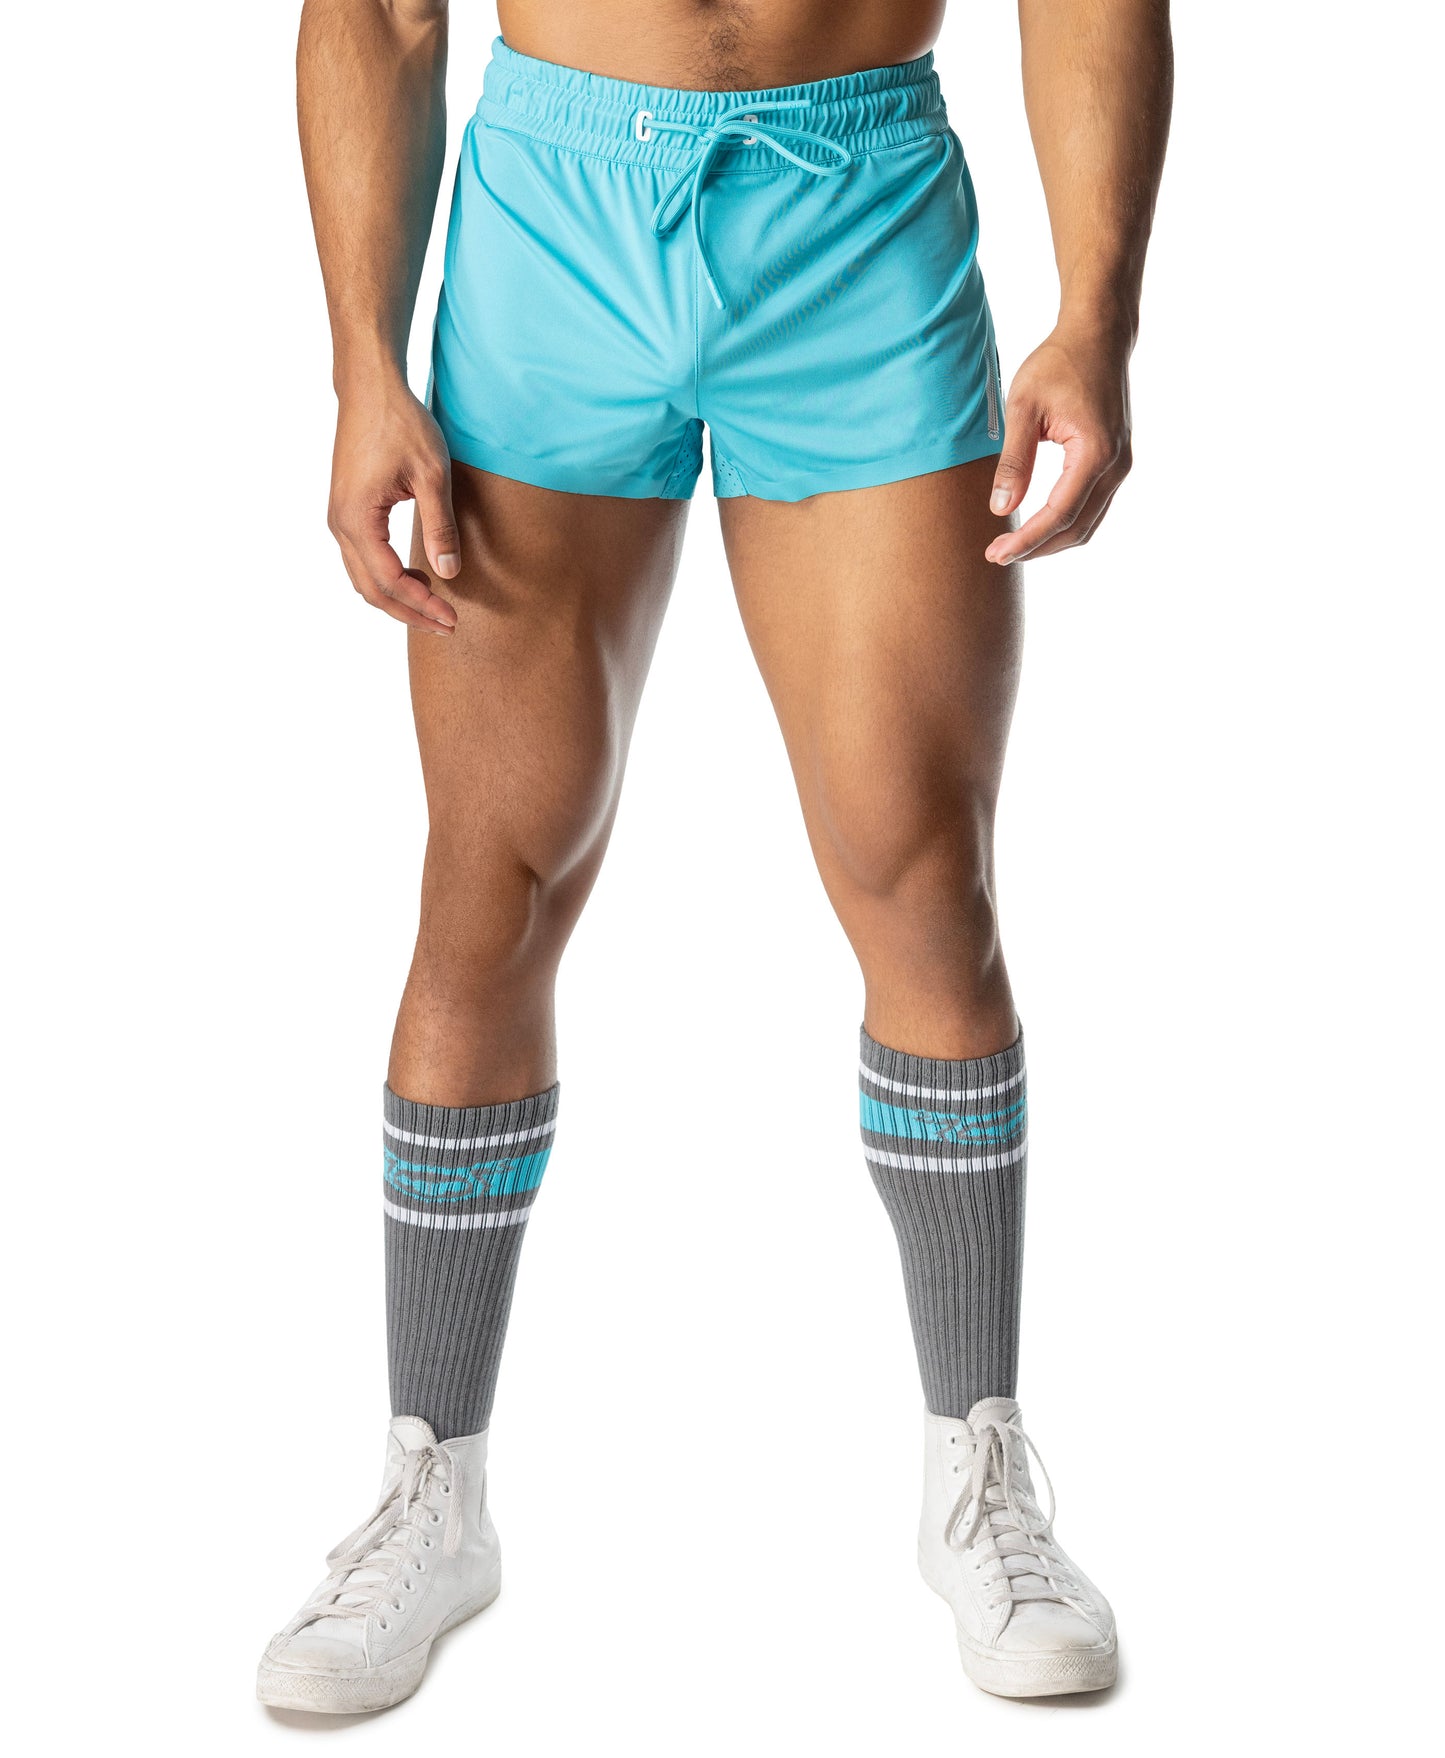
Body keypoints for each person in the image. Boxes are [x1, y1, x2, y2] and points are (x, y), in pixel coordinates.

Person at [258, 0, 1172, 1713]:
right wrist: (361, 363)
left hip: (856, 213)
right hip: (554, 221)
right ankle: (429, 1485)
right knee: (490, 882)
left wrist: (1093, 315)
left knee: (919, 873)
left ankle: (977, 1469)